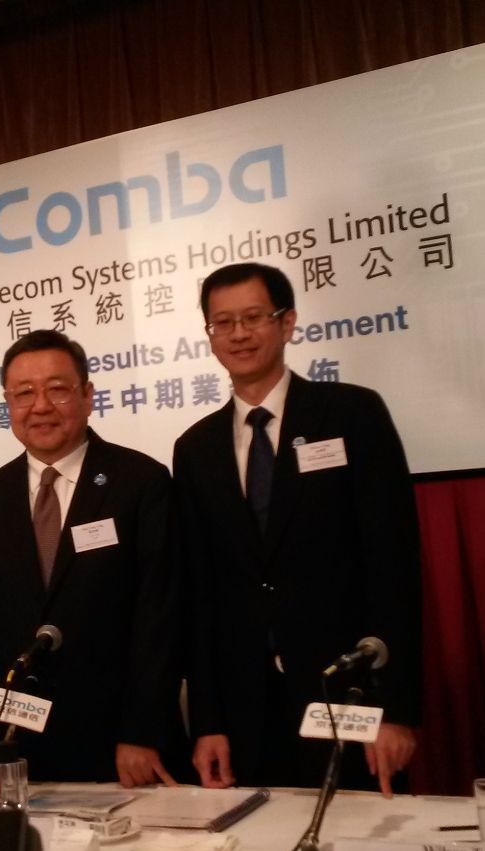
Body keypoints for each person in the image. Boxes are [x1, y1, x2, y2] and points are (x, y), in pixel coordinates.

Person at [173, 262, 422, 796]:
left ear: (287, 323)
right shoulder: (195, 449)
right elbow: (200, 594)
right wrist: (208, 721)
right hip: (245, 710)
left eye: (253, 317)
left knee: (357, 837)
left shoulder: (351, 414)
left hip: (348, 695)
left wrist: (395, 708)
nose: (239, 334)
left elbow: (393, 566)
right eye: (223, 323)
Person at [0, 329, 181, 787]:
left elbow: (160, 616)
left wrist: (141, 731)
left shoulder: (140, 482)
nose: (40, 406)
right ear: (7, 404)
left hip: (120, 743)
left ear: (87, 395)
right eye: (24, 393)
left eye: (57, 389)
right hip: (15, 745)